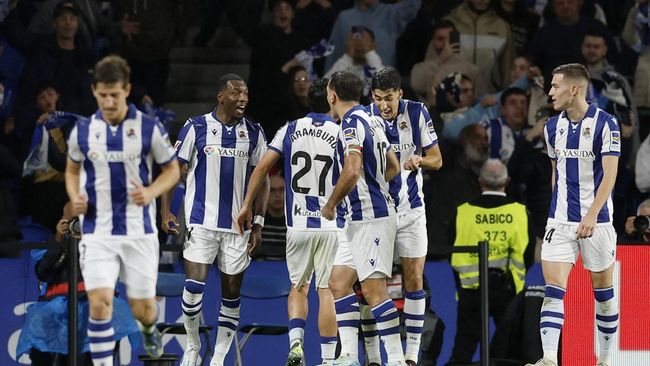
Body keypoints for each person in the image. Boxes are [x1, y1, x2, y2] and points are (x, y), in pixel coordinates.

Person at [65, 55, 180, 365]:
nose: (109, 101)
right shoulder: (83, 130)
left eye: (114, 94)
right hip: (96, 231)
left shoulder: (148, 127)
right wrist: (74, 196)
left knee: (142, 307)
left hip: (139, 232)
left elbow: (172, 170)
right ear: (94, 91)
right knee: (99, 303)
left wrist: (152, 191)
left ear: (127, 89)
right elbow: (72, 169)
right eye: (103, 95)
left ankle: (148, 328)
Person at [160, 73, 268, 366]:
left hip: (238, 228)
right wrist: (165, 210)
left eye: (245, 93)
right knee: (193, 290)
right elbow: (173, 169)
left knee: (231, 297)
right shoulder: (196, 127)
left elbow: (263, 180)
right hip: (201, 222)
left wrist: (258, 221)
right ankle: (192, 345)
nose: (243, 98)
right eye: (236, 92)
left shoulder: (255, 132)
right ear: (221, 96)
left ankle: (218, 358)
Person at [236, 77, 343, 366]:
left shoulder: (289, 129)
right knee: (326, 291)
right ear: (332, 99)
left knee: (299, 287)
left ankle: (296, 344)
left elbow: (261, 168)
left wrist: (247, 204)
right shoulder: (342, 132)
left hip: (296, 226)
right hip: (330, 224)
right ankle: (328, 359)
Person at [527, 63, 620, 366]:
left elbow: (610, 175)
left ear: (574, 89)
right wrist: (557, 212)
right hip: (561, 220)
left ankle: (605, 360)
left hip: (598, 221)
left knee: (604, 295)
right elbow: (556, 172)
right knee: (553, 290)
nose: (550, 92)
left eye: (555, 86)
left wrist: (592, 215)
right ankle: (549, 359)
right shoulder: (551, 127)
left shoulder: (607, 124)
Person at [320, 71, 403, 366]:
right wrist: (378, 184)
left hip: (371, 218)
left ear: (332, 95)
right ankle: (349, 356)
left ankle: (395, 359)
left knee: (373, 290)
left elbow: (352, 170)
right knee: (338, 282)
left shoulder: (351, 124)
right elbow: (393, 165)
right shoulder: (373, 120)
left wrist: (331, 204)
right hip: (358, 219)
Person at [363, 67, 442, 365]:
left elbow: (438, 159)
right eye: (379, 98)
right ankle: (373, 357)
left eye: (390, 98)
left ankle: (410, 356)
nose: (384, 105)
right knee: (371, 285)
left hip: (411, 211)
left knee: (414, 279)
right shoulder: (364, 118)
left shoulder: (418, 113)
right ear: (373, 96)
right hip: (376, 214)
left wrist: (421, 159)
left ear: (400, 94)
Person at [447, 159, 528, 365]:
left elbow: (450, 246)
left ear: (480, 181)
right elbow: (528, 253)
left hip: (471, 289)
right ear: (507, 181)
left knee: (463, 351)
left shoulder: (462, 212)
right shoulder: (520, 212)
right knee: (509, 350)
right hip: (508, 290)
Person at [255, 174, 288, 260]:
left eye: (282, 189)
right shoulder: (256, 222)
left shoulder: (294, 222)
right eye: (272, 190)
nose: (277, 195)